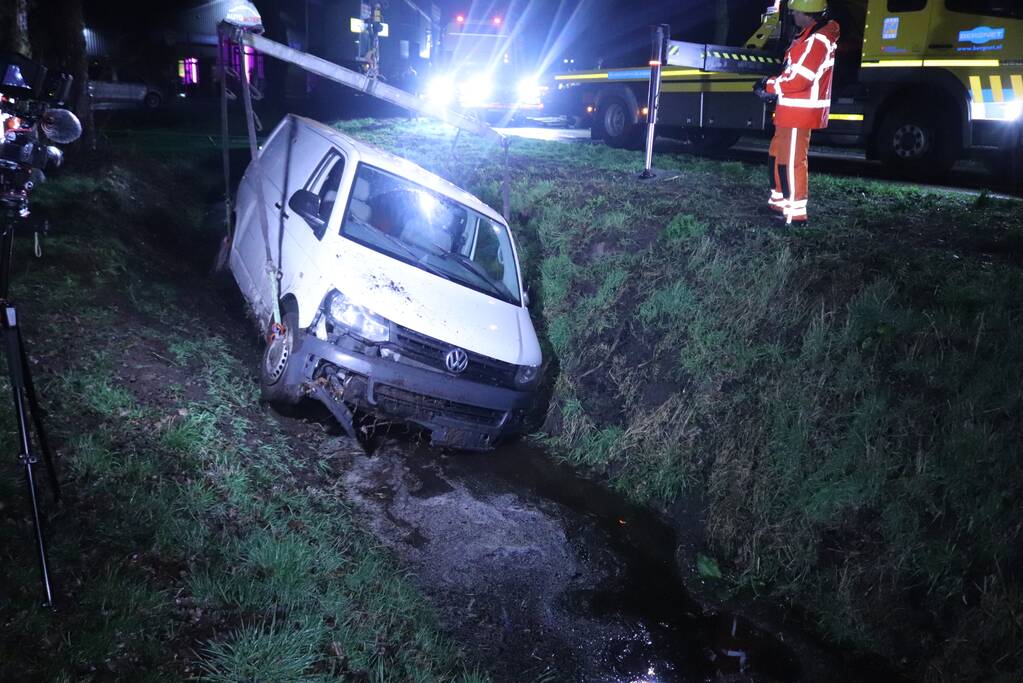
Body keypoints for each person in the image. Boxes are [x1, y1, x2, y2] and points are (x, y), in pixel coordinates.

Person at [753, 0, 840, 226]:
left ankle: (795, 216)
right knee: (778, 157)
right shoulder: (809, 36)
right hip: (791, 110)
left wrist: (769, 85)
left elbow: (800, 80)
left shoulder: (817, 40)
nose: (791, 14)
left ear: (807, 13)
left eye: (794, 11)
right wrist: (772, 85)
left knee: (791, 162)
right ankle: (779, 204)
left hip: (798, 113)